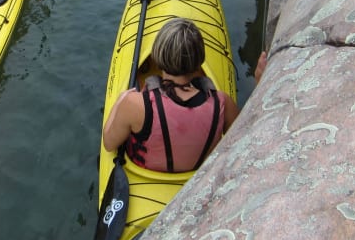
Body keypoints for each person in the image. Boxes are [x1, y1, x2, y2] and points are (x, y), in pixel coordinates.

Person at [102, 18, 268, 173]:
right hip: (194, 179)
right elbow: (248, 138)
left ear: (158, 55)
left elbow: (109, 144)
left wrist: (121, 100)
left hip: (145, 178)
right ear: (199, 59)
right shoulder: (222, 103)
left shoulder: (134, 104)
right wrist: (260, 83)